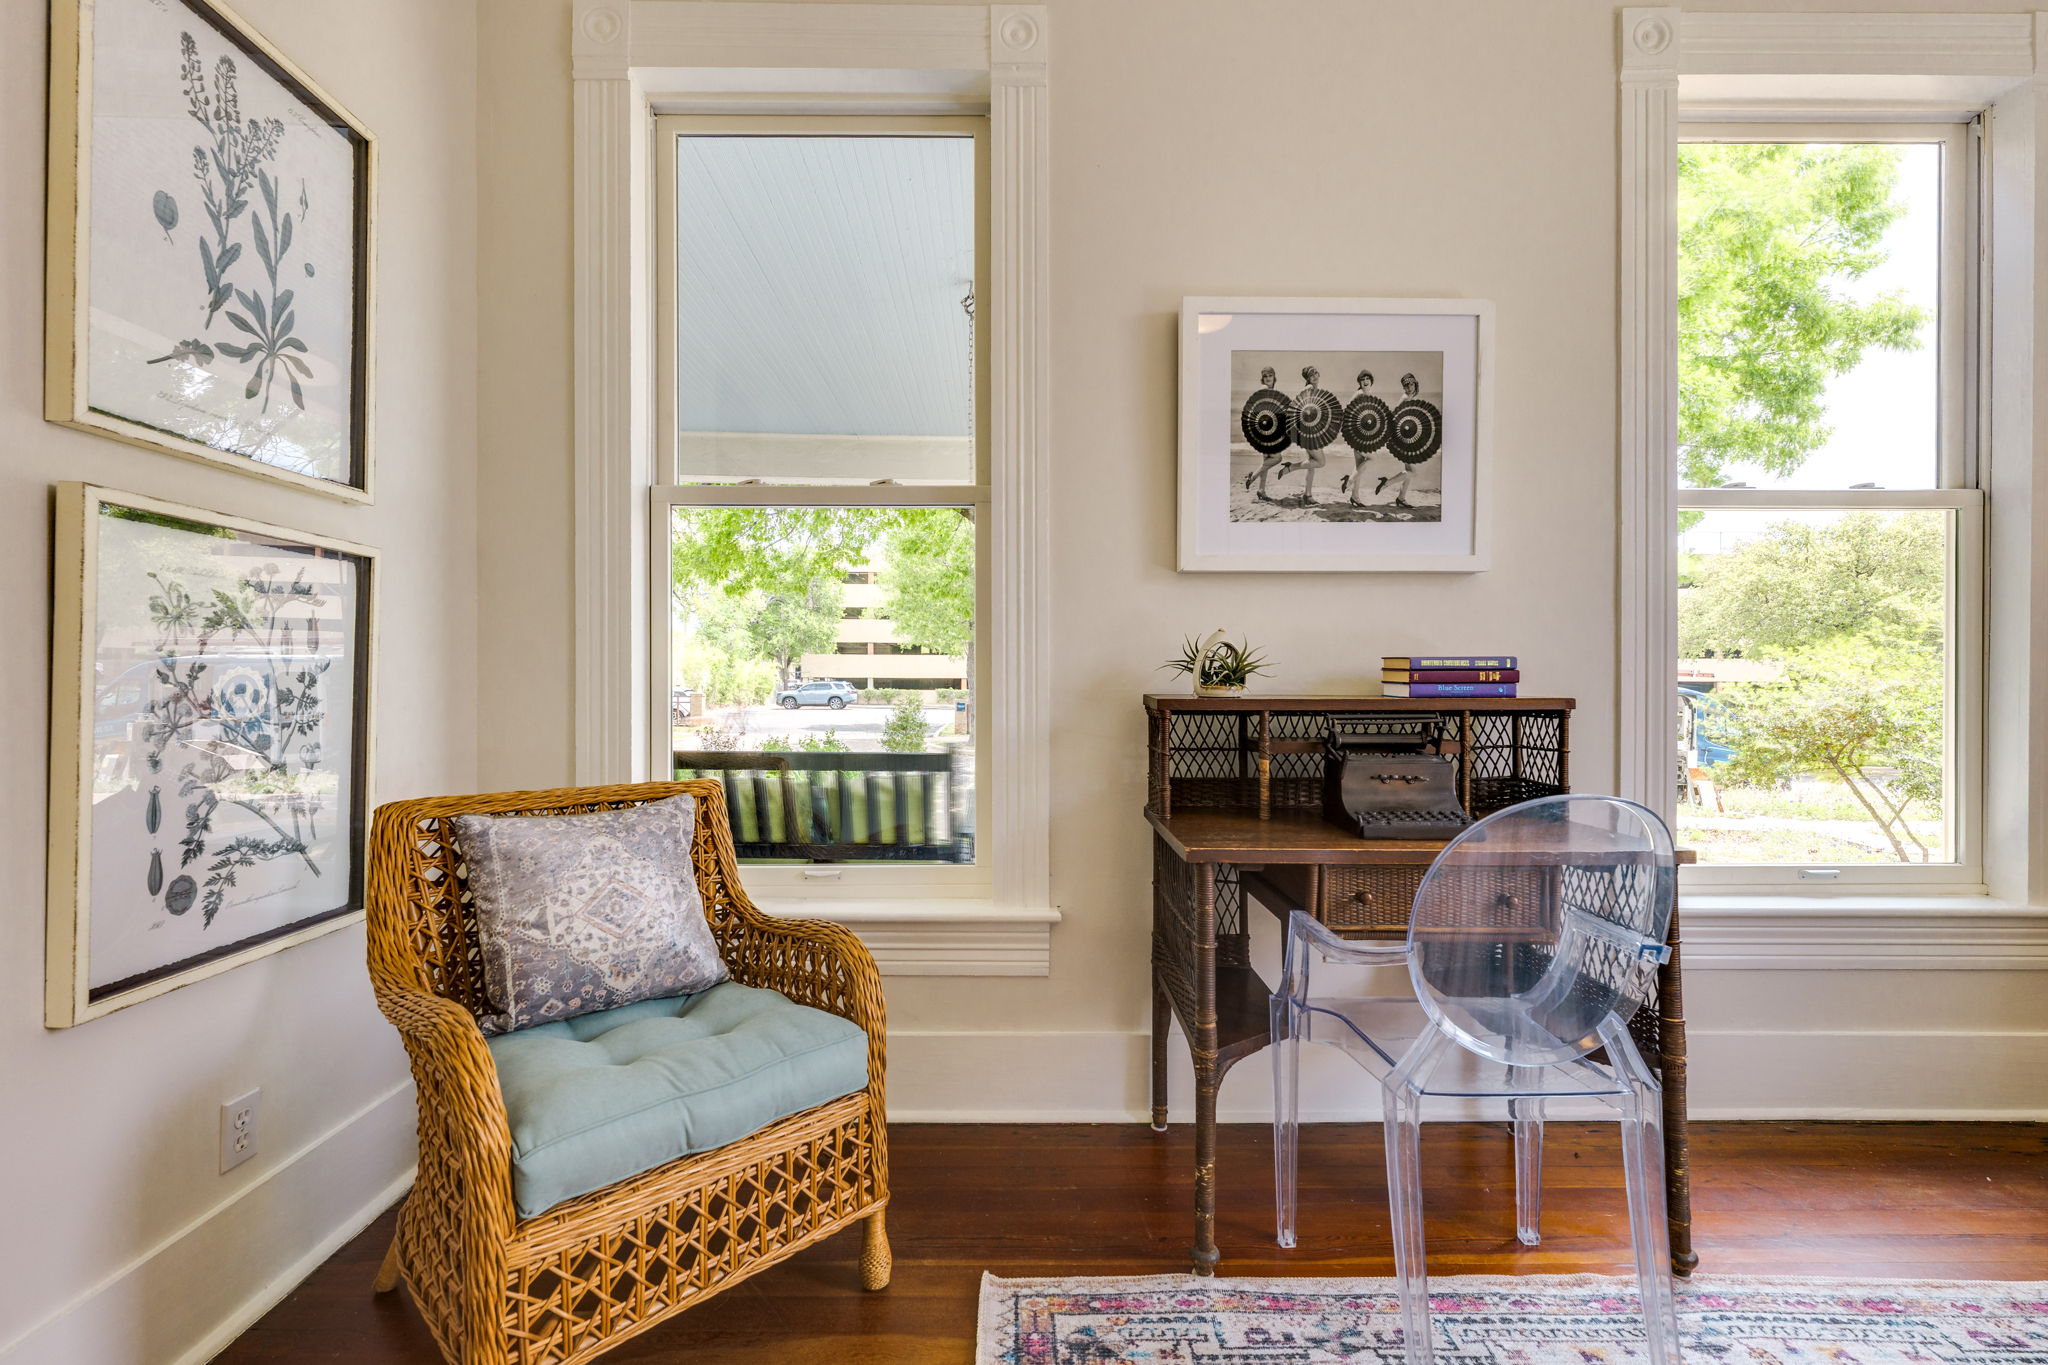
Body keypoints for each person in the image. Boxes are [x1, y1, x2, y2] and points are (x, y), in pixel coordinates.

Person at [1379, 372, 1437, 510]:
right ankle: (1387, 482)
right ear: (1404, 387)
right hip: (1402, 440)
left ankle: (1401, 498)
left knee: (1409, 471)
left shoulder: (1411, 397)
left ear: (1415, 384)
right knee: (1413, 472)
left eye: (1411, 384)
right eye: (1407, 385)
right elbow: (1395, 416)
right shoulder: (1405, 397)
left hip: (1406, 439)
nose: (1410, 387)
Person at [1240, 366, 1298, 502]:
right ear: (1262, 378)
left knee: (1266, 461)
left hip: (1263, 430)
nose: (1268, 378)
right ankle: (1252, 477)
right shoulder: (1264, 390)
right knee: (1277, 458)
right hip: (1266, 432)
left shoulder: (1269, 391)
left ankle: (1261, 490)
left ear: (1274, 377)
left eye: (1270, 375)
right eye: (1265, 376)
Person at [1287, 365, 1342, 506]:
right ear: (1308, 379)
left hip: (1311, 432)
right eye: (1311, 375)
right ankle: (1291, 467)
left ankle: (1308, 495)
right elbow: (1298, 409)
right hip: (1307, 433)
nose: (1315, 376)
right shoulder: (1308, 389)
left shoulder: (1315, 390)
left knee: (1311, 465)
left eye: (1316, 373)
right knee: (1321, 462)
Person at [1339, 369, 1390, 508]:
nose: (1365, 381)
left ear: (1371, 381)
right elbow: (1347, 412)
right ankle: (1349, 480)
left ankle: (1355, 497)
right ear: (1360, 382)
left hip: (1363, 436)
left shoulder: (1368, 394)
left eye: (1367, 379)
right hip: (1357, 436)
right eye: (1363, 379)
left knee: (1359, 467)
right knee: (1373, 458)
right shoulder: (1359, 394)